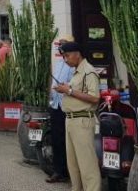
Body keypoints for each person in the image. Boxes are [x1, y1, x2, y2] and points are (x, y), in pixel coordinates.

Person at [53, 41, 101, 191]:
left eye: (67, 56)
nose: (66, 60)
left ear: (77, 54)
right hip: (71, 120)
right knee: (73, 164)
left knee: (87, 164)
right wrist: (66, 88)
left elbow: (94, 98)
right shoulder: (76, 72)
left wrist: (69, 91)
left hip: (82, 120)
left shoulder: (88, 71)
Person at [46, 35, 76, 184]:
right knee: (56, 139)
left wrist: (66, 87)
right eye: (60, 44)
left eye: (64, 44)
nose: (61, 47)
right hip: (56, 105)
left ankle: (70, 172)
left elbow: (74, 85)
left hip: (67, 105)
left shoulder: (74, 65)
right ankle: (58, 171)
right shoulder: (58, 62)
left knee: (67, 141)